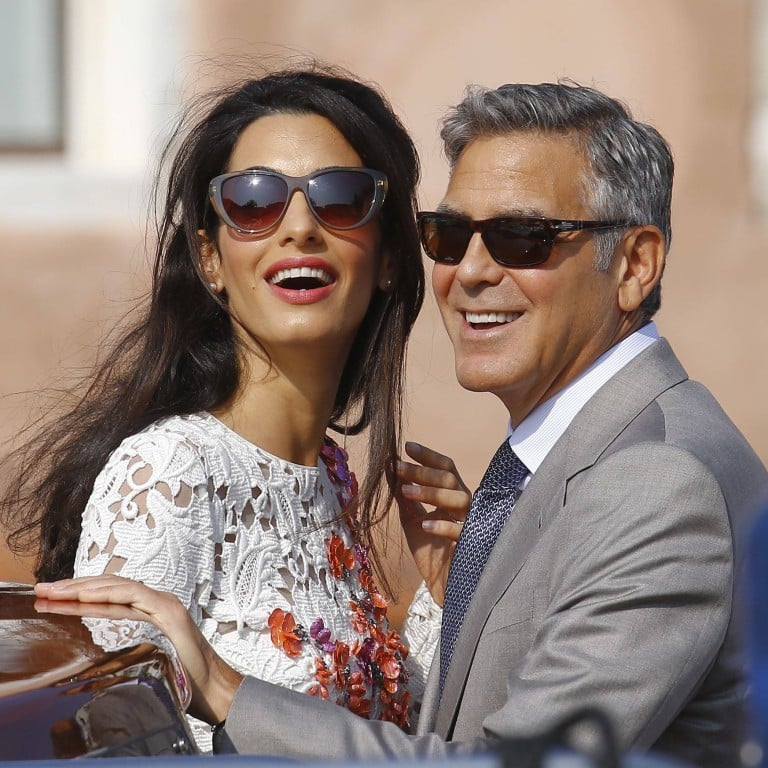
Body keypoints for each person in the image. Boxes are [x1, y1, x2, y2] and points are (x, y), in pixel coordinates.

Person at [35, 80, 768, 768]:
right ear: (209, 257)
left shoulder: (658, 480)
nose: (473, 271)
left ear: (635, 265)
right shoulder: (168, 474)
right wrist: (465, 600)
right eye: (450, 235)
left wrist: (228, 687)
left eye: (522, 235)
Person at [3, 65, 439, 748]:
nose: (298, 227)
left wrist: (447, 591)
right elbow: (116, 747)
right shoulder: (169, 472)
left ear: (387, 258)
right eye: (255, 200)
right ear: (210, 260)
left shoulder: (327, 477)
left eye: (341, 198)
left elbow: (392, 745)